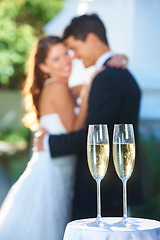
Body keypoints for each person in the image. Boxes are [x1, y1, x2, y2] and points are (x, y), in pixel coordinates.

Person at [0, 35, 127, 240]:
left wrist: (120, 58)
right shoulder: (57, 87)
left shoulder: (65, 87)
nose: (66, 61)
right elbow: (75, 129)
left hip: (61, 171)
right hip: (50, 174)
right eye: (56, 59)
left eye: (66, 54)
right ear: (43, 67)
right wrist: (87, 94)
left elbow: (86, 84)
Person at [35, 14, 142, 220]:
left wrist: (48, 142)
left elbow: (95, 138)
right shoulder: (118, 73)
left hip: (101, 192)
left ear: (92, 40)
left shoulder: (106, 78)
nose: (73, 57)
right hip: (112, 189)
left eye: (73, 49)